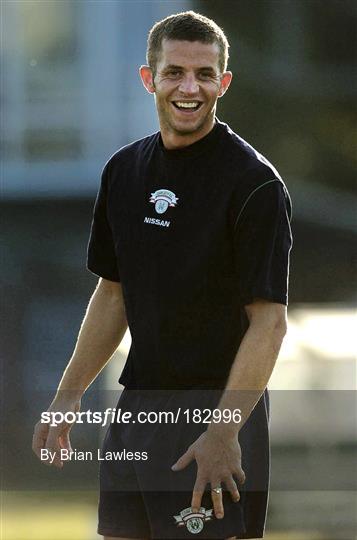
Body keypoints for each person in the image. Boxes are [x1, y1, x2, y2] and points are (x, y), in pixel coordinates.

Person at [32, 10, 292, 540]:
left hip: (214, 410)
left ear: (224, 82)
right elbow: (112, 295)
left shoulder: (254, 184)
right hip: (138, 407)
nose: (189, 87)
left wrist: (223, 431)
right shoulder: (123, 172)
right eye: (174, 72)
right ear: (149, 78)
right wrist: (67, 396)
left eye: (203, 74)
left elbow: (269, 324)